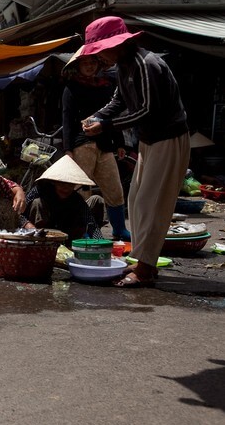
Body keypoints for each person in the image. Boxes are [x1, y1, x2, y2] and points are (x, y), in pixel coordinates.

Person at [80, 16, 190, 288]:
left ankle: (145, 267)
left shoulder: (146, 64)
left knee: (153, 204)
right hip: (150, 140)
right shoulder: (126, 65)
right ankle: (142, 259)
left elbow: (146, 110)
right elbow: (119, 100)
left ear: (115, 45)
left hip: (168, 138)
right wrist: (97, 116)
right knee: (137, 201)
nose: (100, 58)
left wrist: (105, 125)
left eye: (100, 51)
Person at [61, 47, 131, 240]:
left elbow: (112, 116)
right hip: (82, 145)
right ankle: (81, 231)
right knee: (82, 191)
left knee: (114, 189)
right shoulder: (71, 88)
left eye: (93, 63)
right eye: (85, 63)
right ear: (78, 66)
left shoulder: (107, 85)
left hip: (105, 145)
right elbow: (67, 120)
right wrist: (68, 150)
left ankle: (119, 229)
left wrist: (120, 143)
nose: (90, 66)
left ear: (99, 64)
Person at [22, 155, 104, 244]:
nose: (66, 189)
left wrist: (101, 243)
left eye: (70, 185)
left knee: (97, 199)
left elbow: (90, 221)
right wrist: (28, 225)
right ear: (54, 182)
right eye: (62, 184)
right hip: (41, 234)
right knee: (37, 203)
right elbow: (19, 213)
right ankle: (40, 243)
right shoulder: (40, 190)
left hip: (67, 233)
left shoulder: (76, 199)